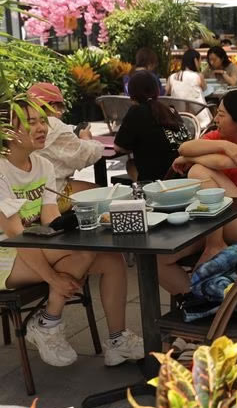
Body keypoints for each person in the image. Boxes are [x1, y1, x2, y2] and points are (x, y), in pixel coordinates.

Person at [0, 102, 143, 368]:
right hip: (7, 255)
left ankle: (117, 341)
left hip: (34, 246)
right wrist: (54, 278)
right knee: (84, 250)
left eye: (43, 120)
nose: (42, 127)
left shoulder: (42, 165)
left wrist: (90, 220)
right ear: (8, 131)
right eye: (31, 122)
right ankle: (48, 322)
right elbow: (16, 236)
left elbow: (51, 221)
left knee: (112, 260)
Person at [162, 90, 237, 295]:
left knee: (198, 170)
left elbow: (220, 162)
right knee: (160, 258)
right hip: (217, 218)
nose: (216, 119)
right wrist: (223, 145)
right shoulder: (220, 137)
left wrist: (192, 159)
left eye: (222, 115)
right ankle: (197, 301)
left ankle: (215, 245)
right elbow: (184, 148)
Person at [28, 83, 103, 201]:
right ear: (53, 106)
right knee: (99, 192)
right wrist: (86, 138)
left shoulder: (20, 124)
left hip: (25, 189)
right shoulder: (53, 124)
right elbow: (86, 155)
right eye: (61, 107)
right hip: (46, 193)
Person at [114, 71, 192, 183]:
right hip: (183, 175)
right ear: (157, 90)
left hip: (159, 181)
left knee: (130, 164)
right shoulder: (170, 110)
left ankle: (142, 193)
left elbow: (118, 147)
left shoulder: (137, 111)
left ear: (131, 94)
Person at [167, 48, 212, 129]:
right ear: (195, 60)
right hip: (200, 120)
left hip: (180, 119)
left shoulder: (172, 77)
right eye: (200, 61)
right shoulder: (198, 76)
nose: (200, 63)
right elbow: (205, 89)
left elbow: (168, 92)